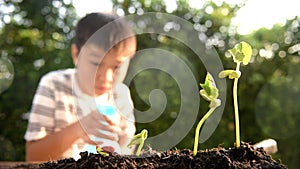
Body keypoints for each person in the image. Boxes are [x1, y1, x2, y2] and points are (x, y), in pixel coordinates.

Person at [24, 12, 137, 161]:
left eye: (117, 67)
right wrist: (78, 129)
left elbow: (127, 148)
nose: (106, 77)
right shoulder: (54, 85)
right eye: (96, 64)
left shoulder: (120, 95)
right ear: (76, 54)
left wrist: (119, 147)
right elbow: (32, 155)